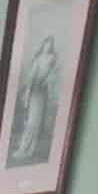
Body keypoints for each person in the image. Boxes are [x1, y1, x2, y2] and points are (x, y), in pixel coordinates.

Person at [11, 35, 58, 163]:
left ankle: (29, 150)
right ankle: (23, 149)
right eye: (46, 44)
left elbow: (50, 75)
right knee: (31, 122)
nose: (47, 46)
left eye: (50, 44)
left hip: (42, 91)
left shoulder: (52, 59)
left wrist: (48, 82)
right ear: (43, 45)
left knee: (35, 123)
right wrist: (27, 92)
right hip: (35, 90)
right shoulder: (38, 59)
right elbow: (32, 76)